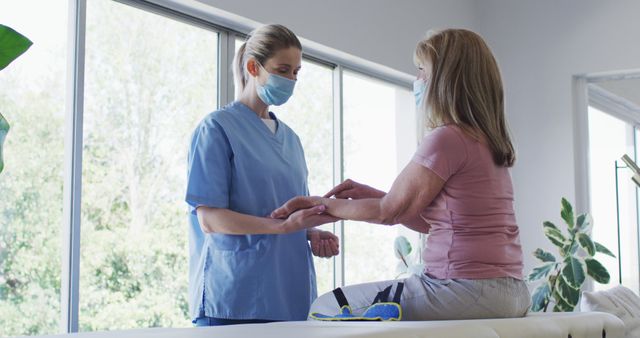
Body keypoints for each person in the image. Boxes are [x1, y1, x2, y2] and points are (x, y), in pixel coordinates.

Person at [271, 28, 531, 321]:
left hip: (464, 288)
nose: (417, 80)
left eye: (422, 70)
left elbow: (388, 212)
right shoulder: (486, 142)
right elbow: (426, 221)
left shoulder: (448, 138)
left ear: (446, 79)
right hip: (510, 291)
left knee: (325, 307)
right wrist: (376, 196)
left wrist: (322, 204)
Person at [185, 24, 340, 326]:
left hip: (290, 296)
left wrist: (309, 233)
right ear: (253, 67)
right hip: (235, 299)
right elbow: (210, 219)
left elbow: (285, 212)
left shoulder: (292, 140)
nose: (291, 80)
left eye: (296, 72)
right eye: (283, 70)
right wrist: (282, 228)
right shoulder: (217, 129)